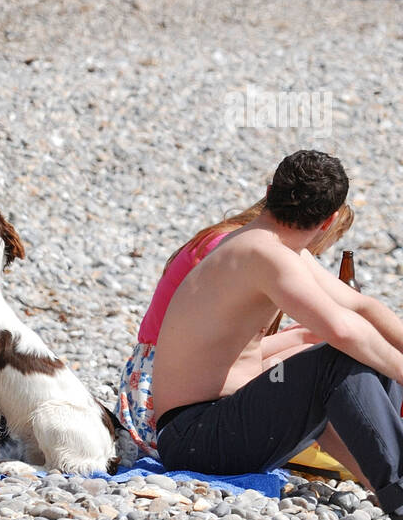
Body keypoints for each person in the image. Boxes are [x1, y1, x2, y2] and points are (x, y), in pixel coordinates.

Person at [150, 150, 403, 520]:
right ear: (329, 221)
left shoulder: (270, 247)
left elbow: (362, 306)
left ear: (270, 191)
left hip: (217, 426)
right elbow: (341, 327)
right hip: (194, 437)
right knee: (340, 357)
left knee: (365, 353)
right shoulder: (262, 253)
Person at [118, 198, 354, 463]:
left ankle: (347, 450)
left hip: (153, 375)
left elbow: (231, 348)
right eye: (319, 247)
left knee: (306, 349)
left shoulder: (226, 238)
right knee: (315, 363)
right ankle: (352, 453)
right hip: (166, 395)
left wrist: (301, 335)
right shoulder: (240, 253)